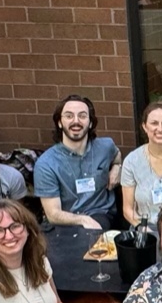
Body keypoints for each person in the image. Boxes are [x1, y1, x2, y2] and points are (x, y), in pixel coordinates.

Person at [35, 94, 122, 230]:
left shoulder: (106, 147)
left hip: (100, 215)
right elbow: (53, 214)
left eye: (82, 116)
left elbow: (117, 155)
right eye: (69, 116)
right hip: (64, 222)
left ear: (91, 122)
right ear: (59, 122)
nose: (76, 121)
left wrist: (117, 167)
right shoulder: (46, 163)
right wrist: (82, 219)